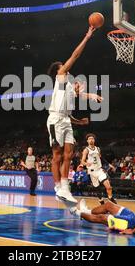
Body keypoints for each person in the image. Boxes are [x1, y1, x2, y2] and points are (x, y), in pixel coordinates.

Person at [46, 26, 102, 206]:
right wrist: (86, 37)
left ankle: (65, 188)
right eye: (63, 65)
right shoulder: (61, 77)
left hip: (65, 120)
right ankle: (57, 187)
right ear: (58, 71)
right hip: (55, 119)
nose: (66, 66)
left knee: (69, 154)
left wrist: (90, 98)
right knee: (57, 155)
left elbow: (71, 107)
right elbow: (75, 56)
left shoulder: (69, 86)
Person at [70, 175, 135, 235]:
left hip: (132, 223)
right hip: (134, 217)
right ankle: (87, 210)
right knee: (108, 205)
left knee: (102, 218)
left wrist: (133, 231)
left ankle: (79, 213)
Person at [80, 133, 116, 205]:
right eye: (89, 139)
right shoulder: (86, 150)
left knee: (108, 187)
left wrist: (109, 165)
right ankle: (101, 201)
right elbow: (82, 161)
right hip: (92, 172)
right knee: (97, 188)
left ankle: (110, 198)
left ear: (94, 140)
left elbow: (101, 158)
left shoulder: (98, 149)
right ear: (87, 141)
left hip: (99, 170)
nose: (91, 140)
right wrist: (86, 164)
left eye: (92, 138)